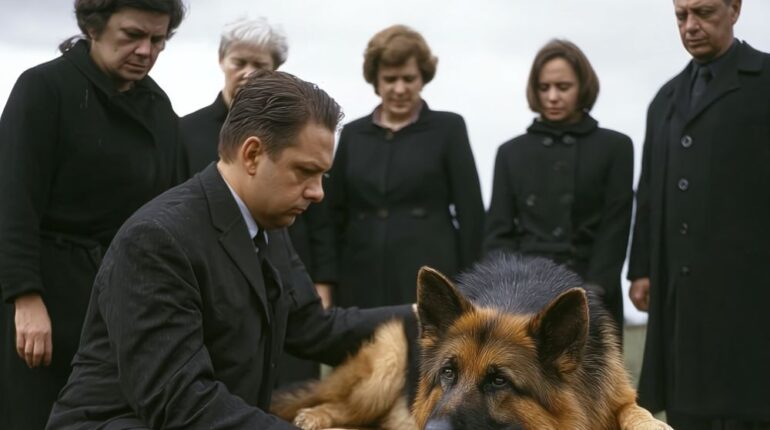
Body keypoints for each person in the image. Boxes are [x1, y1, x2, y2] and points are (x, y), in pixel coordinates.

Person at [45, 70, 413, 430]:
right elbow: (178, 401)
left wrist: (425, 314)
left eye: (323, 176)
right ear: (252, 154)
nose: (318, 192)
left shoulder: (269, 226)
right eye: (304, 171)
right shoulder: (157, 240)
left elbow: (312, 328)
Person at [0, 1, 186, 428]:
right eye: (132, 35)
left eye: (157, 39)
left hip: (114, 298)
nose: (146, 50)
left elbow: (168, 214)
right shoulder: (44, 88)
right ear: (93, 27)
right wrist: (26, 299)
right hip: (41, 293)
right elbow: (13, 201)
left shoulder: (159, 110)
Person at [627, 0, 770, 428]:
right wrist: (641, 270)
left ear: (734, 9)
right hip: (682, 299)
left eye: (703, 12)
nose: (691, 26)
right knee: (686, 411)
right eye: (681, 15)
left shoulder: (765, 82)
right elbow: (648, 189)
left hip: (752, 297)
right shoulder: (665, 98)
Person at [180, 17, 333, 388]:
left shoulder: (302, 137)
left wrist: (322, 283)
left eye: (260, 66)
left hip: (280, 268)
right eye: (239, 62)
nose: (248, 73)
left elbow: (319, 219)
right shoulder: (183, 131)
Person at [325, 24, 485, 309]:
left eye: (408, 78)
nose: (399, 89)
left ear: (423, 78)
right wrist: (328, 280)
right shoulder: (352, 134)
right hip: (360, 278)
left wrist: (473, 288)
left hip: (430, 275)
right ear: (376, 81)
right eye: (390, 79)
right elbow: (332, 215)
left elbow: (471, 214)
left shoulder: (449, 129)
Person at [483, 39, 633, 329]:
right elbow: (498, 233)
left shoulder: (615, 147)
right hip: (522, 297)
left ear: (583, 87)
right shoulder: (511, 152)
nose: (552, 96)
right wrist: (509, 290)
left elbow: (616, 226)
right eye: (544, 87)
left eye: (563, 87)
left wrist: (595, 288)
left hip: (592, 291)